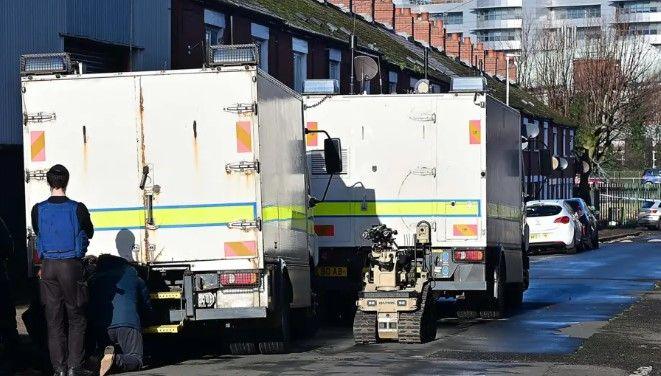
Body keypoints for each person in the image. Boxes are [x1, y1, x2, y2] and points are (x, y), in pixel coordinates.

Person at [32, 164, 94, 376]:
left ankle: (58, 369)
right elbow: (90, 232)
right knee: (76, 317)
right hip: (71, 267)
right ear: (66, 182)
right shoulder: (78, 208)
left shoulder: (37, 209)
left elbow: (38, 232)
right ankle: (74, 367)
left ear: (49, 182)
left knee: (53, 319)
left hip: (48, 267)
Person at [89, 254, 151, 376]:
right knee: (136, 358)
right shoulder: (131, 274)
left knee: (103, 353)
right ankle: (116, 360)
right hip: (128, 323)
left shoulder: (93, 279)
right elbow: (145, 301)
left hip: (102, 326)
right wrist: (148, 317)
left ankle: (100, 358)